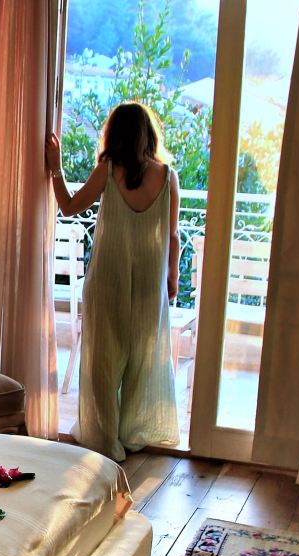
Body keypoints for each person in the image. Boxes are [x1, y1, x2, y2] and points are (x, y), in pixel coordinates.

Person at [45, 102, 180, 461]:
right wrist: (173, 277)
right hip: (150, 285)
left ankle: (105, 441)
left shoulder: (108, 171)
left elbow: (69, 206)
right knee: (142, 361)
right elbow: (174, 236)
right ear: (147, 135)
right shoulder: (168, 177)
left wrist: (56, 168)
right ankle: (132, 435)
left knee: (103, 365)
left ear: (115, 135)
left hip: (108, 281)